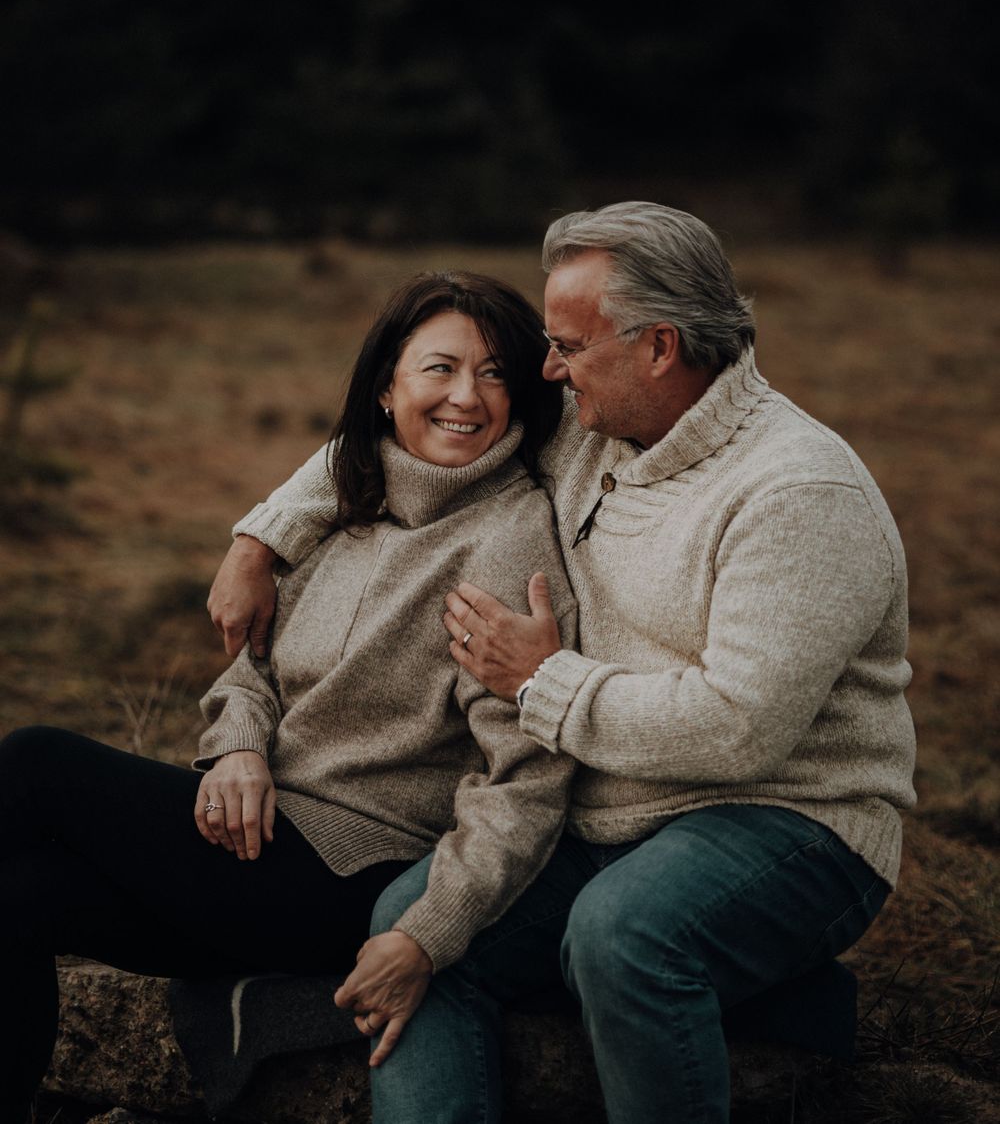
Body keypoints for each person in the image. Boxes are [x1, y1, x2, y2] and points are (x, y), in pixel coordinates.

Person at [211, 203, 917, 1124]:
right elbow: (408, 421)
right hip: (611, 815)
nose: (546, 368)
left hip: (789, 818)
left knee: (624, 931)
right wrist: (259, 539)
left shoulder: (797, 491)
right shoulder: (591, 423)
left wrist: (544, 681)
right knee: (418, 926)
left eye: (569, 345)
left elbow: (739, 728)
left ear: (658, 346)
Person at [0, 270, 578, 1121]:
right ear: (386, 389)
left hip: (358, 869)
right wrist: (238, 745)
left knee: (34, 762)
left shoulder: (508, 540)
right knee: (21, 897)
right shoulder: (348, 508)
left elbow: (525, 778)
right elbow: (254, 669)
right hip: (259, 837)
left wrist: (430, 928)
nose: (467, 395)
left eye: (494, 373)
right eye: (441, 368)